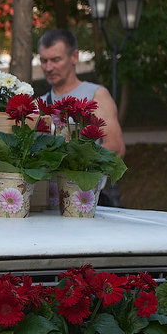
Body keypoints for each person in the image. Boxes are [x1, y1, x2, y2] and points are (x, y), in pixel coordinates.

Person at [36, 28, 125, 205]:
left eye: (56, 60)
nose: (48, 67)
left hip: (86, 200)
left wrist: (77, 158)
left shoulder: (96, 95)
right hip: (46, 203)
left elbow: (116, 147)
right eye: (44, 61)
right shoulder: (38, 104)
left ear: (74, 57)